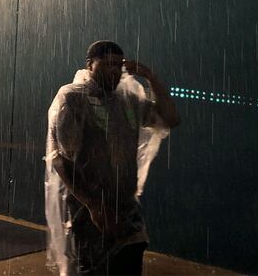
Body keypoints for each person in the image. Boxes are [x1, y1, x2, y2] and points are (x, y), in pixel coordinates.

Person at [46, 40, 181, 275]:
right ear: (90, 65)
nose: (114, 71)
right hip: (90, 209)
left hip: (126, 206)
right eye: (107, 64)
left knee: (129, 264)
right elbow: (61, 160)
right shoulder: (72, 98)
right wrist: (93, 206)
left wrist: (150, 77)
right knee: (96, 269)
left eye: (119, 65)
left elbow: (170, 119)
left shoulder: (127, 100)